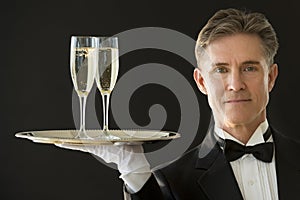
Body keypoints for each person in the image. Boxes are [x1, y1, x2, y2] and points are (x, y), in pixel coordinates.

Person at [57, 8, 300, 200]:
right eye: (221, 70)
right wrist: (135, 170)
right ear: (201, 81)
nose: (235, 84)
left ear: (271, 77)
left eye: (249, 68)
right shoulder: (171, 182)